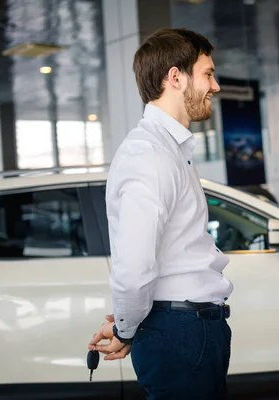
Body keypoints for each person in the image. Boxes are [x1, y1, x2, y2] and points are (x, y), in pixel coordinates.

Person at [87, 28, 233, 400]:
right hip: (179, 330)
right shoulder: (149, 154)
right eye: (208, 73)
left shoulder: (169, 148)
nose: (215, 86)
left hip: (184, 326)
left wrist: (127, 325)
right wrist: (124, 327)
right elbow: (135, 266)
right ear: (175, 77)